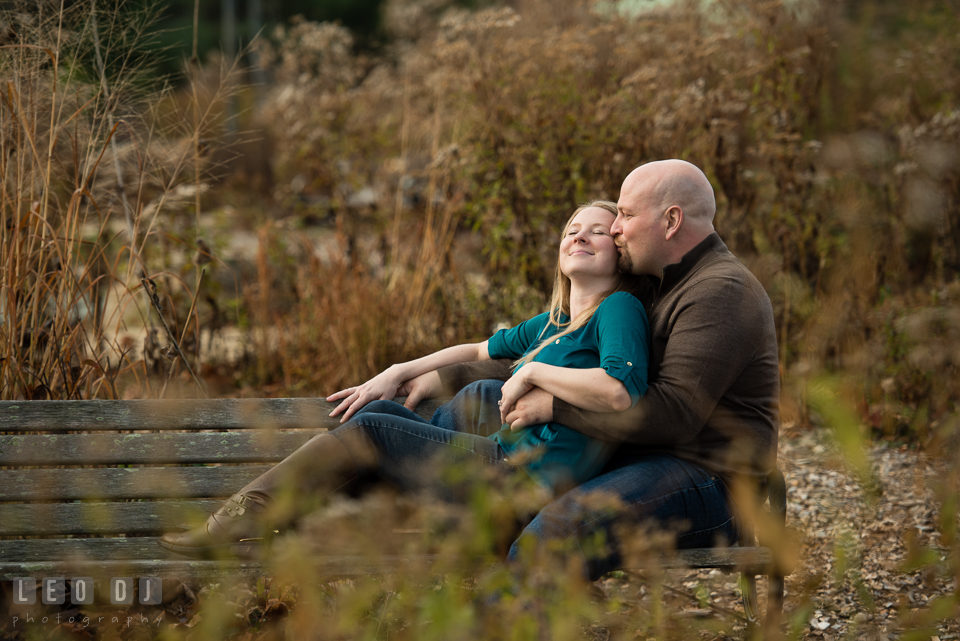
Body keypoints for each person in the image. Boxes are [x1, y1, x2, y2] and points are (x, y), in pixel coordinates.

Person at [159, 201, 652, 557]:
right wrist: (399, 371)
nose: (580, 236)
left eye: (599, 231)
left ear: (620, 253)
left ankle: (246, 517)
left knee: (376, 427)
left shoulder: (619, 309)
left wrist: (537, 373)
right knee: (381, 412)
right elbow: (478, 348)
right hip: (501, 465)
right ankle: (271, 517)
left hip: (522, 483)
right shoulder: (554, 322)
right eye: (572, 228)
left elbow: (619, 392)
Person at [400, 159, 781, 579]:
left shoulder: (720, 292)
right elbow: (538, 353)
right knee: (481, 399)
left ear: (671, 220)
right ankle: (463, 532)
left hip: (708, 483)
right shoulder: (653, 281)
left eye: (626, 214)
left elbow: (674, 415)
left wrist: (554, 407)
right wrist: (433, 376)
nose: (615, 227)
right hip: (630, 454)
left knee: (557, 535)